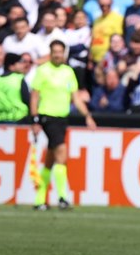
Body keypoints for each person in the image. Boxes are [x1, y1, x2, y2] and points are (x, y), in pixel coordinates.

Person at [30, 39, 96, 210]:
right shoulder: (43, 71)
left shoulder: (68, 72)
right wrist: (35, 118)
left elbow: (76, 98)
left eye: (60, 51)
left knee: (50, 160)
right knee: (62, 154)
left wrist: (87, 115)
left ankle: (39, 200)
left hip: (62, 119)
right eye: (55, 52)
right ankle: (62, 197)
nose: (58, 55)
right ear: (51, 53)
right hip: (48, 117)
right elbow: (35, 96)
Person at [0, 52, 31, 124]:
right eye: (20, 63)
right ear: (11, 66)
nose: (23, 65)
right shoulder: (18, 78)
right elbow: (27, 99)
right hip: (20, 119)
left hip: (0, 120)